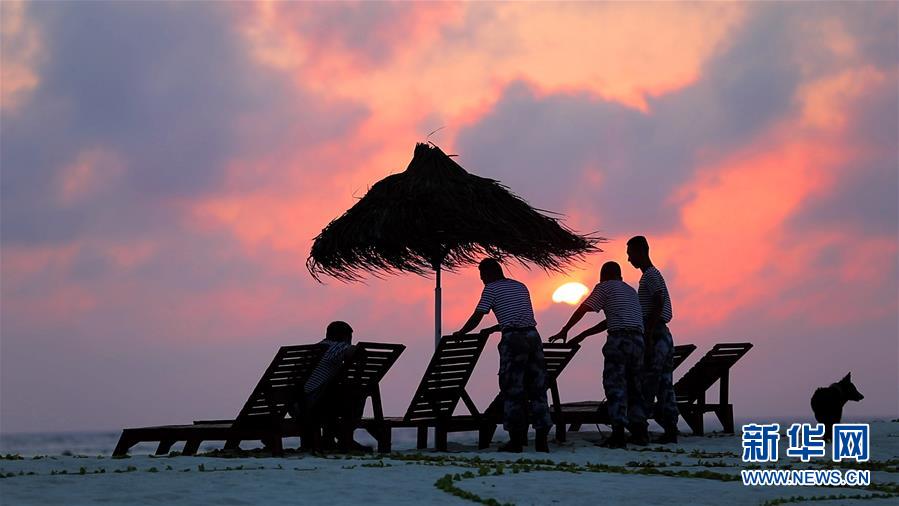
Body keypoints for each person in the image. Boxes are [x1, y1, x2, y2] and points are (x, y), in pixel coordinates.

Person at [453, 258, 552, 453]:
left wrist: (462, 332)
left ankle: (515, 441)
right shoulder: (520, 286)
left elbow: (478, 315)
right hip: (533, 337)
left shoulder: (491, 288)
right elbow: (518, 318)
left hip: (513, 340)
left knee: (512, 389)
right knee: (538, 389)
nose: (481, 279)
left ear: (488, 274)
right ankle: (542, 440)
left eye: (481, 275)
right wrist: (493, 329)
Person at [549, 261, 648, 448]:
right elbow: (609, 320)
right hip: (638, 341)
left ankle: (618, 434)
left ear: (603, 276)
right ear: (620, 276)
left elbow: (583, 309)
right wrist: (583, 335)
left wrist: (565, 329)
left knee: (615, 385)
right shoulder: (630, 291)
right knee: (635, 387)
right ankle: (640, 432)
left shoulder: (604, 287)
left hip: (619, 341)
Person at [627, 235, 679, 444]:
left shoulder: (650, 276)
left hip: (656, 334)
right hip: (662, 334)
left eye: (630, 253)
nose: (629, 259)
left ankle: (640, 429)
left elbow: (658, 303)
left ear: (640, 252)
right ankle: (670, 430)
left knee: (648, 382)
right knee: (664, 384)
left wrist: (647, 336)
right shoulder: (652, 275)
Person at [293, 321, 369, 452]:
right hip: (313, 404)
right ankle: (344, 438)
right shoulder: (335, 347)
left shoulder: (316, 348)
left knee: (334, 392)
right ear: (345, 337)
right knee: (355, 395)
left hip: (296, 404)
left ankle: (330, 439)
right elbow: (357, 352)